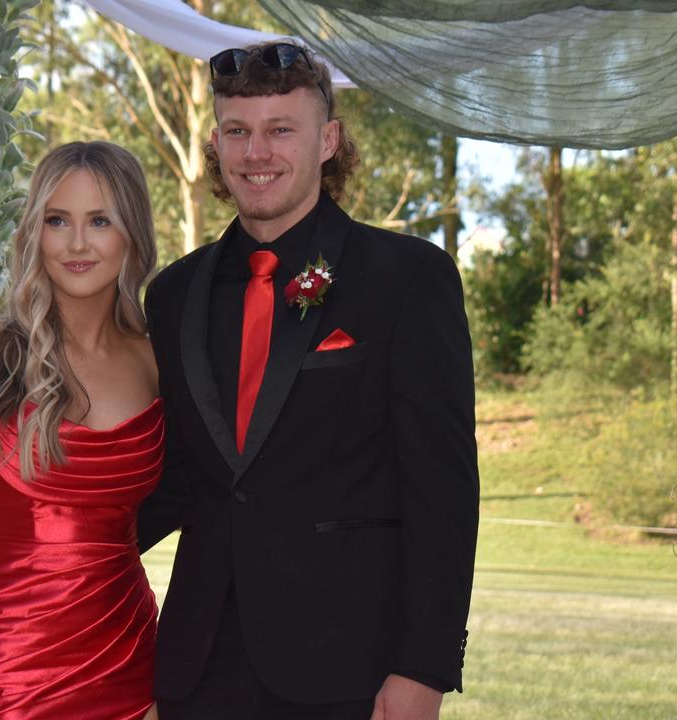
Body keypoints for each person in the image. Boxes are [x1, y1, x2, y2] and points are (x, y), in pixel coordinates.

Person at [135, 42, 480, 719]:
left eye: (279, 130)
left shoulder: (406, 279)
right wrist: (48, 544)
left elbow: (442, 491)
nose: (255, 152)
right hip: (196, 671)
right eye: (238, 131)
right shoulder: (173, 294)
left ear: (327, 140)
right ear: (215, 142)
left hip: (349, 671)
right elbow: (176, 479)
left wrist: (424, 669)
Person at [0, 141, 162, 720]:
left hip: (131, 660)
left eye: (100, 221)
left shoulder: (157, 361)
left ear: (132, 233)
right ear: (34, 232)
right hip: (12, 666)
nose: (77, 243)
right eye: (57, 220)